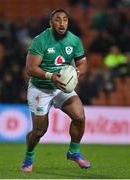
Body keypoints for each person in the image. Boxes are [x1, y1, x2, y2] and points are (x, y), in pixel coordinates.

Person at [22, 9, 91, 172]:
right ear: (51, 23)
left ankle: (74, 152)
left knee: (80, 117)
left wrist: (75, 73)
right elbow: (30, 68)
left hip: (62, 87)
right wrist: (51, 76)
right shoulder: (41, 40)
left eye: (65, 20)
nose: (62, 23)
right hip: (41, 88)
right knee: (39, 131)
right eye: (58, 20)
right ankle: (29, 155)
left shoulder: (74, 40)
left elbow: (82, 63)